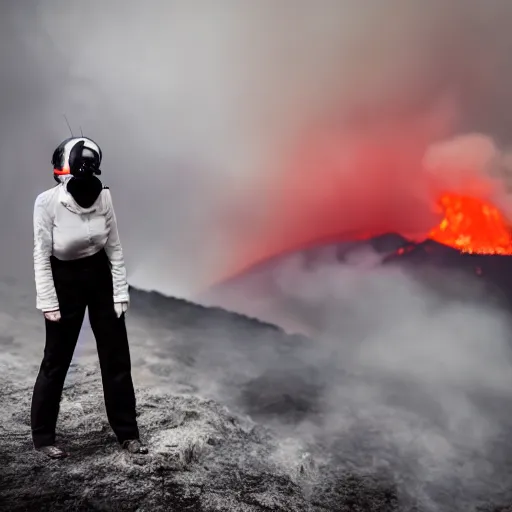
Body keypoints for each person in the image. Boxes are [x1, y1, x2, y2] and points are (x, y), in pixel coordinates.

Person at [30, 136, 147, 459]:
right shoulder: (47, 202)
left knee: (116, 358)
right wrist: (49, 301)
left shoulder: (104, 199)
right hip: (63, 279)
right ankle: (43, 438)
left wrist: (119, 291)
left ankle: (128, 434)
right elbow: (41, 255)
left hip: (100, 277)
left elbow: (115, 247)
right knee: (56, 360)